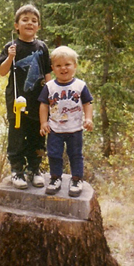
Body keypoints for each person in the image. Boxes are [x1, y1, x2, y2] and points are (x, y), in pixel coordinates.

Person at [0, 4, 51, 189]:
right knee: (17, 136)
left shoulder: (42, 47)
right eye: (25, 20)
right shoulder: (11, 46)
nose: (30, 23)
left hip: (38, 102)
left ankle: (34, 170)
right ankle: (17, 172)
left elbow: (48, 72)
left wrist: (51, 95)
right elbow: (2, 72)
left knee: (37, 135)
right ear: (16, 25)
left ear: (39, 26)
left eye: (34, 21)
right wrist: (10, 57)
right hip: (17, 102)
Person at [38, 46, 93, 197]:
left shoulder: (80, 86)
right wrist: (43, 123)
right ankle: (55, 178)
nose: (63, 68)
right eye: (58, 65)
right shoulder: (49, 86)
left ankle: (76, 180)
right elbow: (43, 105)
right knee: (54, 154)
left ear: (75, 65)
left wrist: (88, 119)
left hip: (75, 129)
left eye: (67, 64)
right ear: (53, 68)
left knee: (75, 154)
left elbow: (87, 104)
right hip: (55, 129)